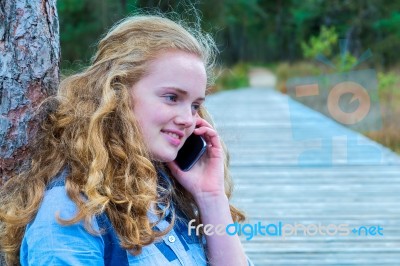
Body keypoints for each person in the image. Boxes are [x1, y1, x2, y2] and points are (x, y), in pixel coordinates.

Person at [0, 14, 253, 266]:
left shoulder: (169, 196)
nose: (188, 119)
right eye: (172, 97)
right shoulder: (71, 211)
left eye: (195, 105)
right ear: (116, 93)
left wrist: (211, 196)